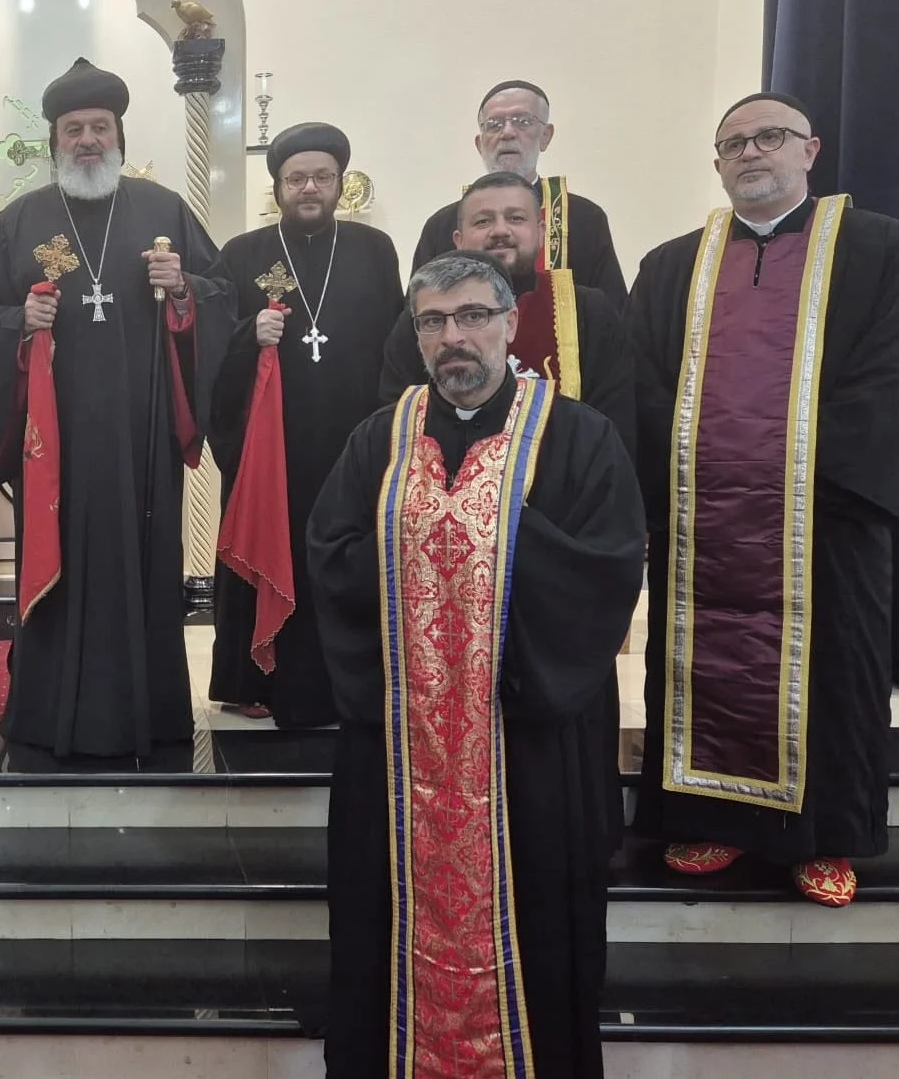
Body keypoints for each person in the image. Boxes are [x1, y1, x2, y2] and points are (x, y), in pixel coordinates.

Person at [309, 251, 645, 1079]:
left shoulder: (576, 439)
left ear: (509, 323)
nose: (451, 339)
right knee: (385, 925)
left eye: (469, 317)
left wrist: (477, 549)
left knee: (539, 926)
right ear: (413, 336)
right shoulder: (379, 436)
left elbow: (607, 563)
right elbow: (331, 548)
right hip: (401, 747)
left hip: (526, 747)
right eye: (431, 323)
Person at [629, 92, 899, 907]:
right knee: (699, 662)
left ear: (809, 149)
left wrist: (787, 466)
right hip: (703, 516)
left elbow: (885, 380)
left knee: (831, 672)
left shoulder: (877, 250)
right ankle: (707, 817)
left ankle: (826, 835)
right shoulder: (669, 267)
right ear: (716, 162)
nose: (750, 153)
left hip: (823, 516)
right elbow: (646, 388)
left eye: (769, 137)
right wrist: (699, 468)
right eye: (732, 143)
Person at [0, 57, 232, 763]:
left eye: (98, 128)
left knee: (143, 568)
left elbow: (218, 295)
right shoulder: (21, 220)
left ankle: (152, 711)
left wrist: (182, 294)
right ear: (53, 142)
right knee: (58, 569)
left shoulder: (161, 208)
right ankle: (48, 711)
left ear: (117, 135)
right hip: (56, 447)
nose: (86, 139)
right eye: (73, 129)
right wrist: (19, 317)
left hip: (139, 440)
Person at [207, 121, 401, 729]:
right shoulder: (242, 255)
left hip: (354, 439)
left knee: (345, 557)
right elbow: (209, 350)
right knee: (270, 541)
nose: (309, 187)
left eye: (321, 177)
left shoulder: (374, 250)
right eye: (296, 178)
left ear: (342, 183)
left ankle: (346, 682)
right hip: (271, 447)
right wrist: (247, 336)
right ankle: (254, 680)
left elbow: (397, 344)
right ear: (278, 187)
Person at [383, 171, 634, 454]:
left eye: (516, 218)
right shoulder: (425, 318)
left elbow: (616, 423)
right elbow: (400, 418)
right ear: (459, 239)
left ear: (541, 232)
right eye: (483, 221)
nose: (500, 230)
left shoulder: (589, 312)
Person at [410, 81, 627, 308]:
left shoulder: (584, 219)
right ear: (479, 143)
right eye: (494, 125)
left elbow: (612, 316)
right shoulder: (442, 224)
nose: (507, 133)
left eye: (523, 122)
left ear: (546, 135)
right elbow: (418, 315)